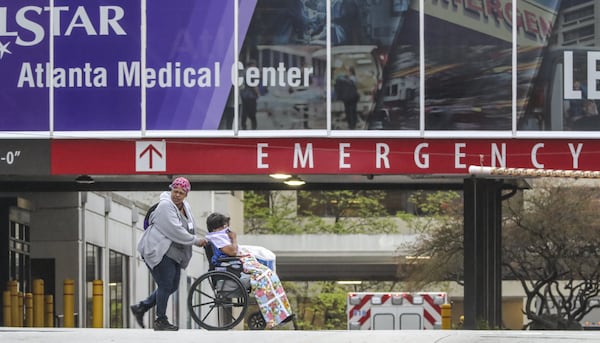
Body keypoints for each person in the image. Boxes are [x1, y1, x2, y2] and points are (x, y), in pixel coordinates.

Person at [131, 177, 208, 331]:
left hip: (174, 253)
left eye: (181, 192)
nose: (177, 195)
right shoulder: (165, 206)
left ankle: (141, 307)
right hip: (159, 250)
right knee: (165, 284)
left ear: (186, 194)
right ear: (170, 190)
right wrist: (195, 241)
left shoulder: (185, 206)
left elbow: (189, 227)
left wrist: (196, 239)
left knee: (171, 285)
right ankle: (160, 320)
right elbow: (175, 230)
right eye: (175, 191)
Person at [205, 212, 294, 329]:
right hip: (232, 266)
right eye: (224, 226)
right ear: (216, 228)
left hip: (234, 264)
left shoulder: (219, 237)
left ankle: (282, 313)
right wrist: (234, 239)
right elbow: (232, 252)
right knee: (265, 277)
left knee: (270, 276)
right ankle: (274, 317)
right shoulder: (217, 238)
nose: (227, 229)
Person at [241, 60, 259, 130]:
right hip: (251, 96)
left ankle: (243, 127)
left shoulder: (243, 72)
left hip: (243, 95)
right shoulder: (252, 72)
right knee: (252, 114)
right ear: (252, 65)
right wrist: (258, 93)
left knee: (244, 113)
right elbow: (254, 85)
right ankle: (253, 129)